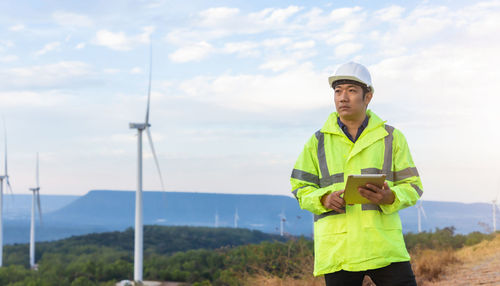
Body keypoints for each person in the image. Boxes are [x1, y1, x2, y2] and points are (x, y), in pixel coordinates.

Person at [290, 62, 423, 286]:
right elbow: (300, 188)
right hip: (340, 250)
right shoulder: (317, 142)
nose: (343, 97)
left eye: (351, 91)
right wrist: (323, 199)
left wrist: (390, 197)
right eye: (338, 91)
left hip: (383, 246)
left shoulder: (391, 137)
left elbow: (413, 186)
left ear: (368, 96)